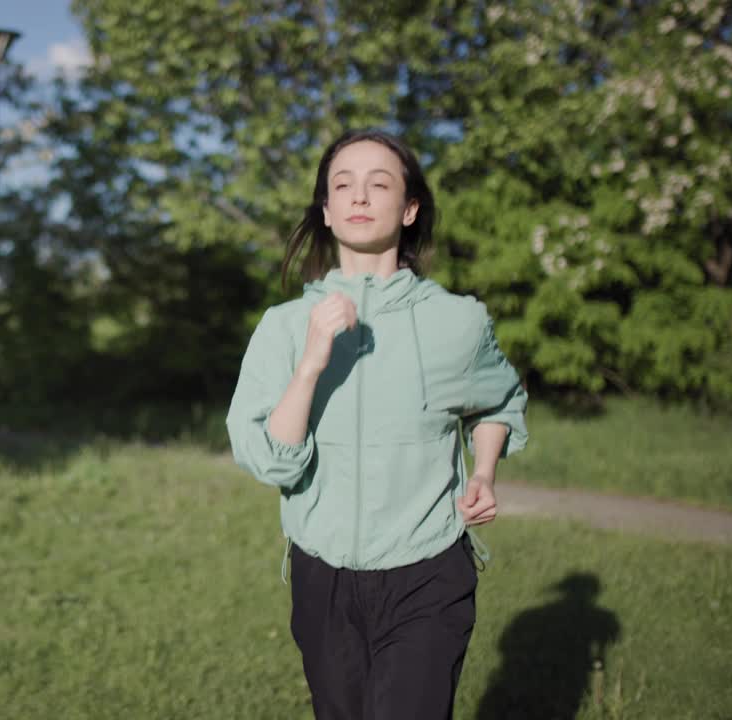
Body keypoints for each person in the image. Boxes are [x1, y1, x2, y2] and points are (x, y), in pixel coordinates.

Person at [226, 129, 528, 720]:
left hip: (427, 569)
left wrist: (485, 472)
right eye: (343, 185)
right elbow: (270, 461)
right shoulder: (285, 327)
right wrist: (312, 361)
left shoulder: (457, 322)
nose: (359, 196)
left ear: (409, 208)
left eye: (379, 183)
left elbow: (499, 401)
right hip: (323, 575)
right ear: (327, 211)